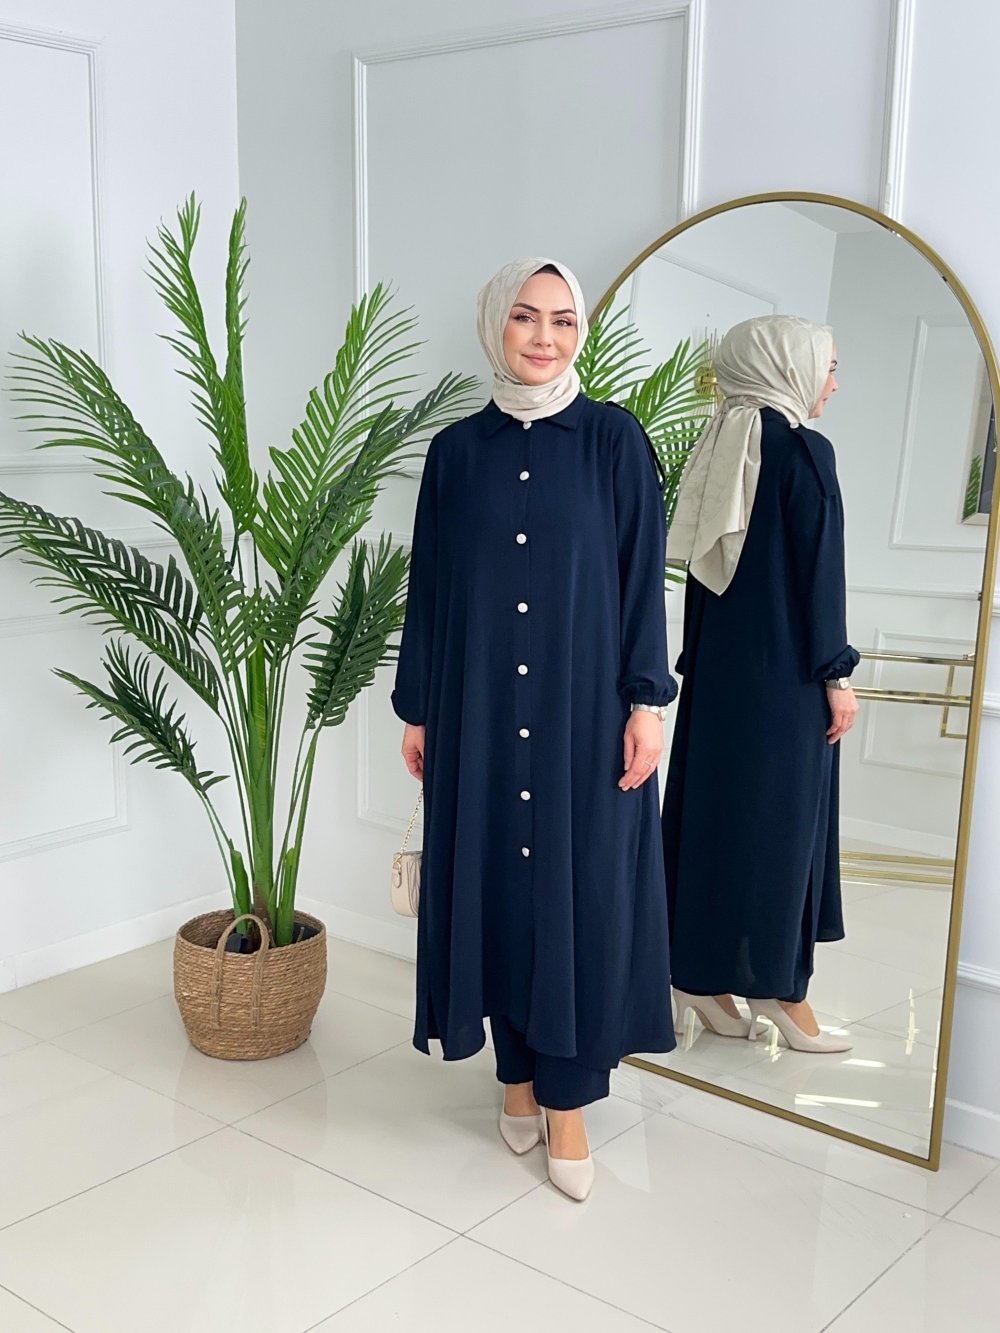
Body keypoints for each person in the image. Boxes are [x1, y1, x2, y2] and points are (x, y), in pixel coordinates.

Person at [392, 257, 677, 1201]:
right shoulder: (456, 453)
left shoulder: (613, 441)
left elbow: (640, 582)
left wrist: (646, 703)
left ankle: (568, 1101)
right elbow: (430, 589)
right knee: (497, 892)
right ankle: (513, 1076)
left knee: (578, 896)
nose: (544, 337)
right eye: (525, 316)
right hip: (477, 713)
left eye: (561, 319)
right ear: (496, 326)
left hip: (582, 718)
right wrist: (419, 707)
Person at [662, 314, 859, 1054]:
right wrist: (836, 673)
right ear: (787, 364)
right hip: (785, 686)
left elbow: (698, 582)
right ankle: (781, 990)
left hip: (717, 685)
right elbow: (820, 574)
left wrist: (699, 668)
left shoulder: (721, 445)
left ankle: (698, 977)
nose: (832, 384)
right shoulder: (805, 451)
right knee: (783, 834)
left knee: (713, 824)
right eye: (828, 366)